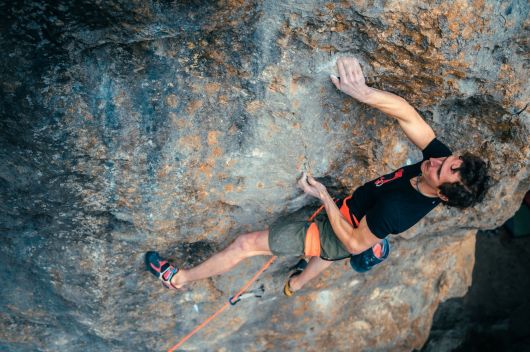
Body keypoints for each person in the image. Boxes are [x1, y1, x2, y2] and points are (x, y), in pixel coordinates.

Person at [145, 57, 490, 296]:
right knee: (329, 256)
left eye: (440, 170)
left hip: (339, 233)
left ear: (443, 195)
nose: (433, 161)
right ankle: (296, 285)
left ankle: (180, 279)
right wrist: (363, 92)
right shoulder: (442, 164)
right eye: (444, 158)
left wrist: (325, 199)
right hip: (357, 212)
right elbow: (409, 117)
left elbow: (353, 242)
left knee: (247, 245)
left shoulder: (399, 210)